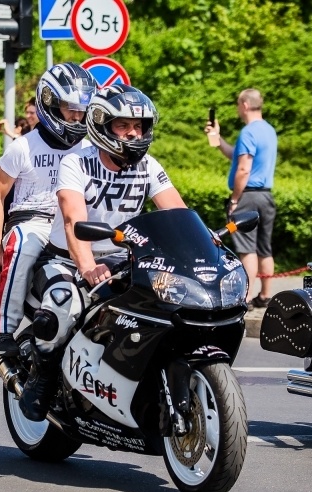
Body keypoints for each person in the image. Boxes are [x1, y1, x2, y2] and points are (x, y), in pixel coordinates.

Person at [20, 84, 187, 421]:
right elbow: (72, 219)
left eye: (138, 126)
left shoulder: (148, 166)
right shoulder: (76, 162)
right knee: (63, 301)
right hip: (64, 258)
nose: (133, 133)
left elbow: (176, 213)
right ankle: (42, 377)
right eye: (123, 125)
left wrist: (204, 245)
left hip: (125, 258)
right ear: (102, 125)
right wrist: (87, 265)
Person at [0, 62, 96, 357]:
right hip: (30, 219)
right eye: (69, 107)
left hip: (70, 221)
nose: (77, 115)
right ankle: (3, 329)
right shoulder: (23, 147)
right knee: (23, 244)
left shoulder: (87, 149)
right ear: (49, 102)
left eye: (82, 109)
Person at [204, 88, 277, 309]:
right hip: (266, 196)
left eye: (238, 105)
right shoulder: (269, 130)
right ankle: (265, 296)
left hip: (247, 197)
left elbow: (243, 170)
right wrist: (217, 140)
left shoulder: (248, 132)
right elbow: (235, 154)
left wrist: (235, 199)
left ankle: (244, 298)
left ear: (244, 105)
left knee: (247, 248)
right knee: (265, 248)